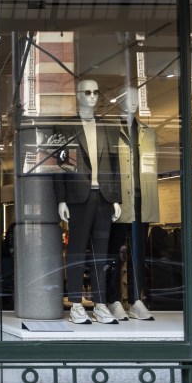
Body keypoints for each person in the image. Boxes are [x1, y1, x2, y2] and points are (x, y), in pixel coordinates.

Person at [55, 79, 122, 325]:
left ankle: (100, 303)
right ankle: (75, 303)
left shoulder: (107, 126)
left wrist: (116, 198)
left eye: (96, 91)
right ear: (78, 95)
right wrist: (61, 199)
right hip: (78, 197)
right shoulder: (66, 126)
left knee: (101, 254)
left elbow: (114, 166)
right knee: (76, 251)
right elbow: (60, 166)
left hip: (103, 196)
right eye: (87, 92)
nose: (93, 96)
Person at [106, 89, 157, 321]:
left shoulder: (148, 132)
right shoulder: (110, 132)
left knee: (139, 254)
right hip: (118, 200)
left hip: (142, 199)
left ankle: (137, 299)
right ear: (120, 101)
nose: (134, 102)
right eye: (129, 97)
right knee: (113, 253)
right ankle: (113, 299)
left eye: (137, 98)